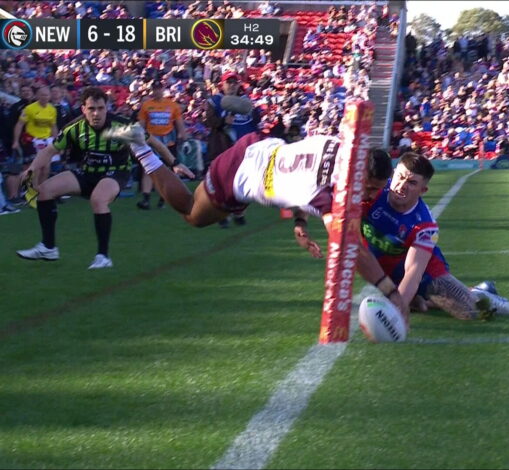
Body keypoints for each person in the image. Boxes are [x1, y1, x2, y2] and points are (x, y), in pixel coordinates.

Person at [102, 122, 409, 316]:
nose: (370, 194)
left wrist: (300, 221)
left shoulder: (339, 145)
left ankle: (143, 146)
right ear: (358, 173)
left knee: (209, 209)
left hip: (259, 149)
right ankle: (140, 146)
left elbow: (304, 175)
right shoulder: (327, 195)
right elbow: (350, 246)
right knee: (191, 214)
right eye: (369, 187)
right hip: (242, 172)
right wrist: (392, 294)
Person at [295, 151, 509, 320]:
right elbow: (317, 191)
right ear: (393, 175)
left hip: (427, 275)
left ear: (423, 190)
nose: (402, 186)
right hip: (382, 269)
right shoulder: (372, 191)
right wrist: (301, 222)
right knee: (414, 303)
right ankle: (421, 300)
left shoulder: (424, 225)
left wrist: (395, 309)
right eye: (400, 177)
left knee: (473, 313)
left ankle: (479, 292)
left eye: (412, 183)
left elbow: (413, 271)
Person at [15, 87, 192, 269]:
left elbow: (154, 143)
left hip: (115, 173)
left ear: (107, 108)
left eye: (100, 108)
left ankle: (103, 256)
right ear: (83, 109)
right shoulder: (74, 129)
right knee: (44, 191)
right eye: (91, 109)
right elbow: (49, 151)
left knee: (98, 199)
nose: (96, 113)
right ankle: (48, 247)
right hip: (88, 172)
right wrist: (31, 170)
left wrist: (175, 163)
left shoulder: (122, 127)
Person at [204, 71, 261, 228]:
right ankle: (222, 215)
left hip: (242, 148)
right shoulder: (215, 101)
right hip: (222, 146)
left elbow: (255, 121)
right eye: (229, 82)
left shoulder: (246, 101)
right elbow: (209, 121)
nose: (232, 85)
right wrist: (224, 121)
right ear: (222, 84)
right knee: (221, 183)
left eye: (235, 82)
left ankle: (239, 212)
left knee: (242, 183)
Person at [137, 80, 189, 210]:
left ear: (162, 89)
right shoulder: (146, 105)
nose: (157, 91)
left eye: (159, 88)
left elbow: (179, 123)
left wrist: (185, 138)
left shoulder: (172, 105)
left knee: (167, 171)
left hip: (168, 141)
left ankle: (163, 199)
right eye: (154, 89)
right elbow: (142, 124)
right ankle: (146, 199)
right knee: (148, 169)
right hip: (151, 140)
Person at [7, 86, 56, 199]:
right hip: (32, 141)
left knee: (46, 168)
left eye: (46, 95)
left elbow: (53, 126)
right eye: (42, 95)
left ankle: (41, 191)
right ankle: (30, 192)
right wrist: (15, 141)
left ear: (49, 96)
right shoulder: (29, 109)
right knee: (34, 168)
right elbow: (19, 125)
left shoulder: (52, 109)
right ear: (37, 96)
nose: (44, 97)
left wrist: (56, 140)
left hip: (47, 141)